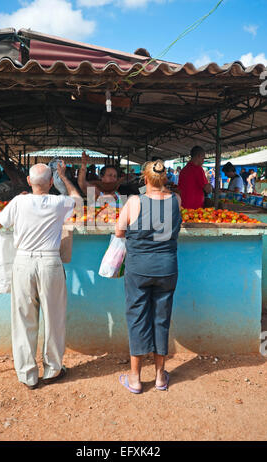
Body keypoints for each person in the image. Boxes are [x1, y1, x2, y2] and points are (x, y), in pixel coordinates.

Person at [0, 162, 81, 390]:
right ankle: (52, 370)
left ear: (29, 182)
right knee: (54, 318)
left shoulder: (19, 202)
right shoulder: (60, 202)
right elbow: (78, 200)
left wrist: (16, 205)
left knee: (23, 319)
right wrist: (65, 177)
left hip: (23, 263)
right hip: (50, 262)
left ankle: (27, 375)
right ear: (51, 183)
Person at [115, 160, 182, 394]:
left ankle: (135, 378)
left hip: (139, 268)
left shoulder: (134, 202)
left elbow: (119, 230)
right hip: (167, 267)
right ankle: (160, 377)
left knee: (137, 317)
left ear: (144, 179)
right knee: (161, 317)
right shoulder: (176, 200)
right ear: (165, 180)